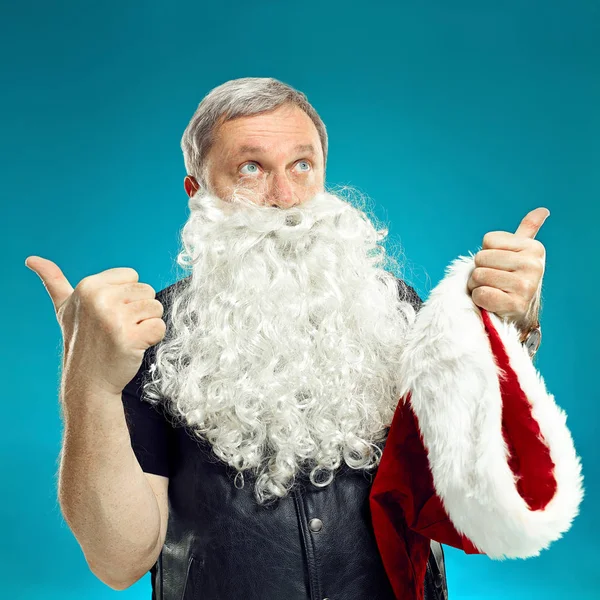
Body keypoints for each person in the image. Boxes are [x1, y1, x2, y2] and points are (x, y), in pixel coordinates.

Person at [26, 77, 583, 600]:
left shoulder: (393, 308)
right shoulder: (149, 335)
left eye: (302, 165)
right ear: (198, 192)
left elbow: (481, 475)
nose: (285, 196)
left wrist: (510, 327)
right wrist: (89, 384)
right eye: (250, 168)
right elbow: (120, 560)